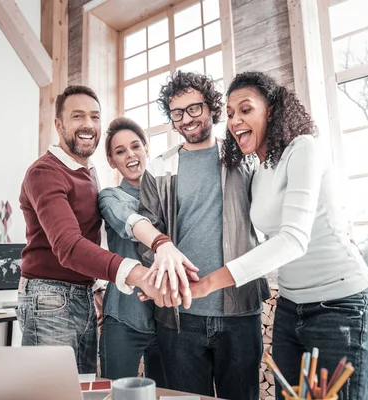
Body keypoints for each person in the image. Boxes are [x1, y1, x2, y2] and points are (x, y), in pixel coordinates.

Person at [189, 71, 368, 399]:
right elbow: (267, 239)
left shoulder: (303, 148)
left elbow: (293, 239)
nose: (235, 120)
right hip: (291, 308)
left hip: (342, 306)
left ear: (272, 111)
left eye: (246, 109)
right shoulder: (260, 171)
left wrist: (206, 283)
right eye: (231, 113)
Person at [128, 70, 271, 400]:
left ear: (212, 108)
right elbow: (148, 237)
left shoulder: (243, 158)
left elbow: (270, 216)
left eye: (194, 108)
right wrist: (166, 277)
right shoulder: (159, 169)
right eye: (177, 113)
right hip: (180, 316)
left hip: (240, 311)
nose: (187, 119)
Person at [16, 85, 164, 374]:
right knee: (53, 393)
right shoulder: (45, 172)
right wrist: (136, 274)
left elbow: (85, 236)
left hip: (80, 294)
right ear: (58, 124)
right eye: (77, 116)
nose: (88, 124)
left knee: (83, 389)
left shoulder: (87, 171)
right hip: (49, 298)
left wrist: (94, 285)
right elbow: (68, 245)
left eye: (95, 117)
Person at [96, 117, 167, 386]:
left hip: (166, 319)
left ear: (146, 148)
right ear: (112, 161)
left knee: (166, 394)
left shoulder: (167, 193)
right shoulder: (110, 196)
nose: (130, 155)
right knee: (116, 394)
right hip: (124, 317)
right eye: (120, 151)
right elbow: (128, 223)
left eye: (135, 146)